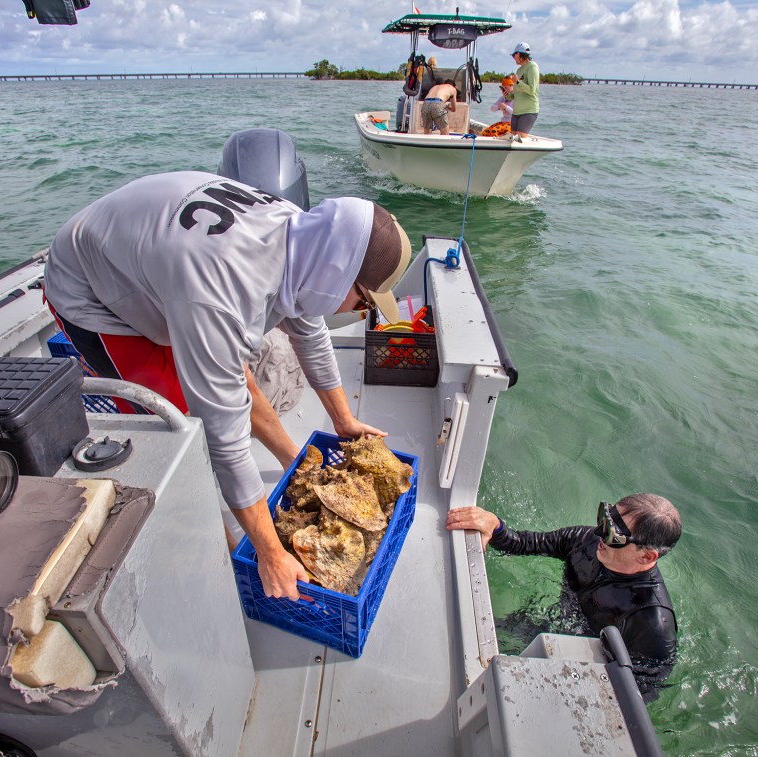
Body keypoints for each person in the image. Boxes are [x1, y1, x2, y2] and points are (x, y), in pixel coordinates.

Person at [43, 171, 412, 601]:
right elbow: (225, 439)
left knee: (234, 379)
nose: (358, 311)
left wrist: (343, 420)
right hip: (92, 289)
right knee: (179, 424)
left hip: (161, 263)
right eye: (364, 301)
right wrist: (270, 552)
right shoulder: (223, 291)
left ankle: (295, 461)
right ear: (337, 275)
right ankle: (226, 543)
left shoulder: (304, 236)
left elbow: (309, 334)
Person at [446, 493, 680, 701]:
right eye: (604, 518)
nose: (598, 532)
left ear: (646, 557)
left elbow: (643, 688)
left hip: (589, 666)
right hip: (555, 626)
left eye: (614, 534)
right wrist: (495, 526)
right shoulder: (584, 540)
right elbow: (525, 543)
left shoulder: (651, 621)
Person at [509, 41, 540, 138]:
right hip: (516, 112)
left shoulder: (532, 67)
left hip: (528, 111)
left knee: (519, 138)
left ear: (518, 54)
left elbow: (532, 90)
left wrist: (517, 82)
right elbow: (518, 92)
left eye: (514, 55)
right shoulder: (519, 70)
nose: (513, 58)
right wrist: (508, 95)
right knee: (512, 138)